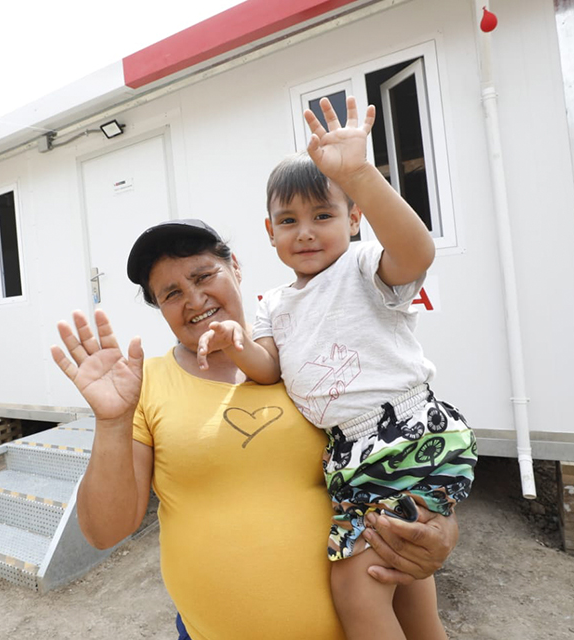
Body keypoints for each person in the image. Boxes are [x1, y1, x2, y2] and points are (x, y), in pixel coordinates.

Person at [51, 219, 461, 639]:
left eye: (203, 275)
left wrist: (440, 527)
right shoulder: (146, 384)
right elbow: (105, 532)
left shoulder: (307, 356)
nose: (194, 299)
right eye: (171, 293)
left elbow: (402, 453)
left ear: (236, 269)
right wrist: (113, 421)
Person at [194, 97, 476, 639]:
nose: (305, 232)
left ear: (354, 218)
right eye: (288, 221)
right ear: (269, 232)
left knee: (358, 587)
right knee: (408, 586)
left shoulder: (362, 266)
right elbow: (267, 369)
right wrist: (236, 343)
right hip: (349, 456)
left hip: (401, 436)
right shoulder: (273, 303)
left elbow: (416, 252)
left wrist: (361, 174)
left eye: (323, 216)